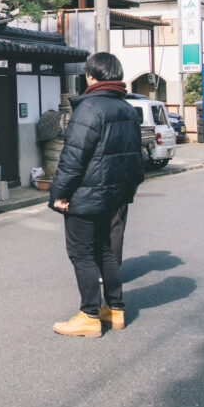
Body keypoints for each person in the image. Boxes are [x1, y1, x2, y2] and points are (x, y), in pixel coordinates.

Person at [49, 52, 144, 337]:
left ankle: (89, 314)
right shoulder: (127, 108)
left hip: (86, 194)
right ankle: (114, 310)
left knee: (81, 252)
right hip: (114, 194)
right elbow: (135, 159)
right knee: (105, 251)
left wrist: (59, 193)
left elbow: (73, 157)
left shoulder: (89, 108)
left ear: (90, 76)